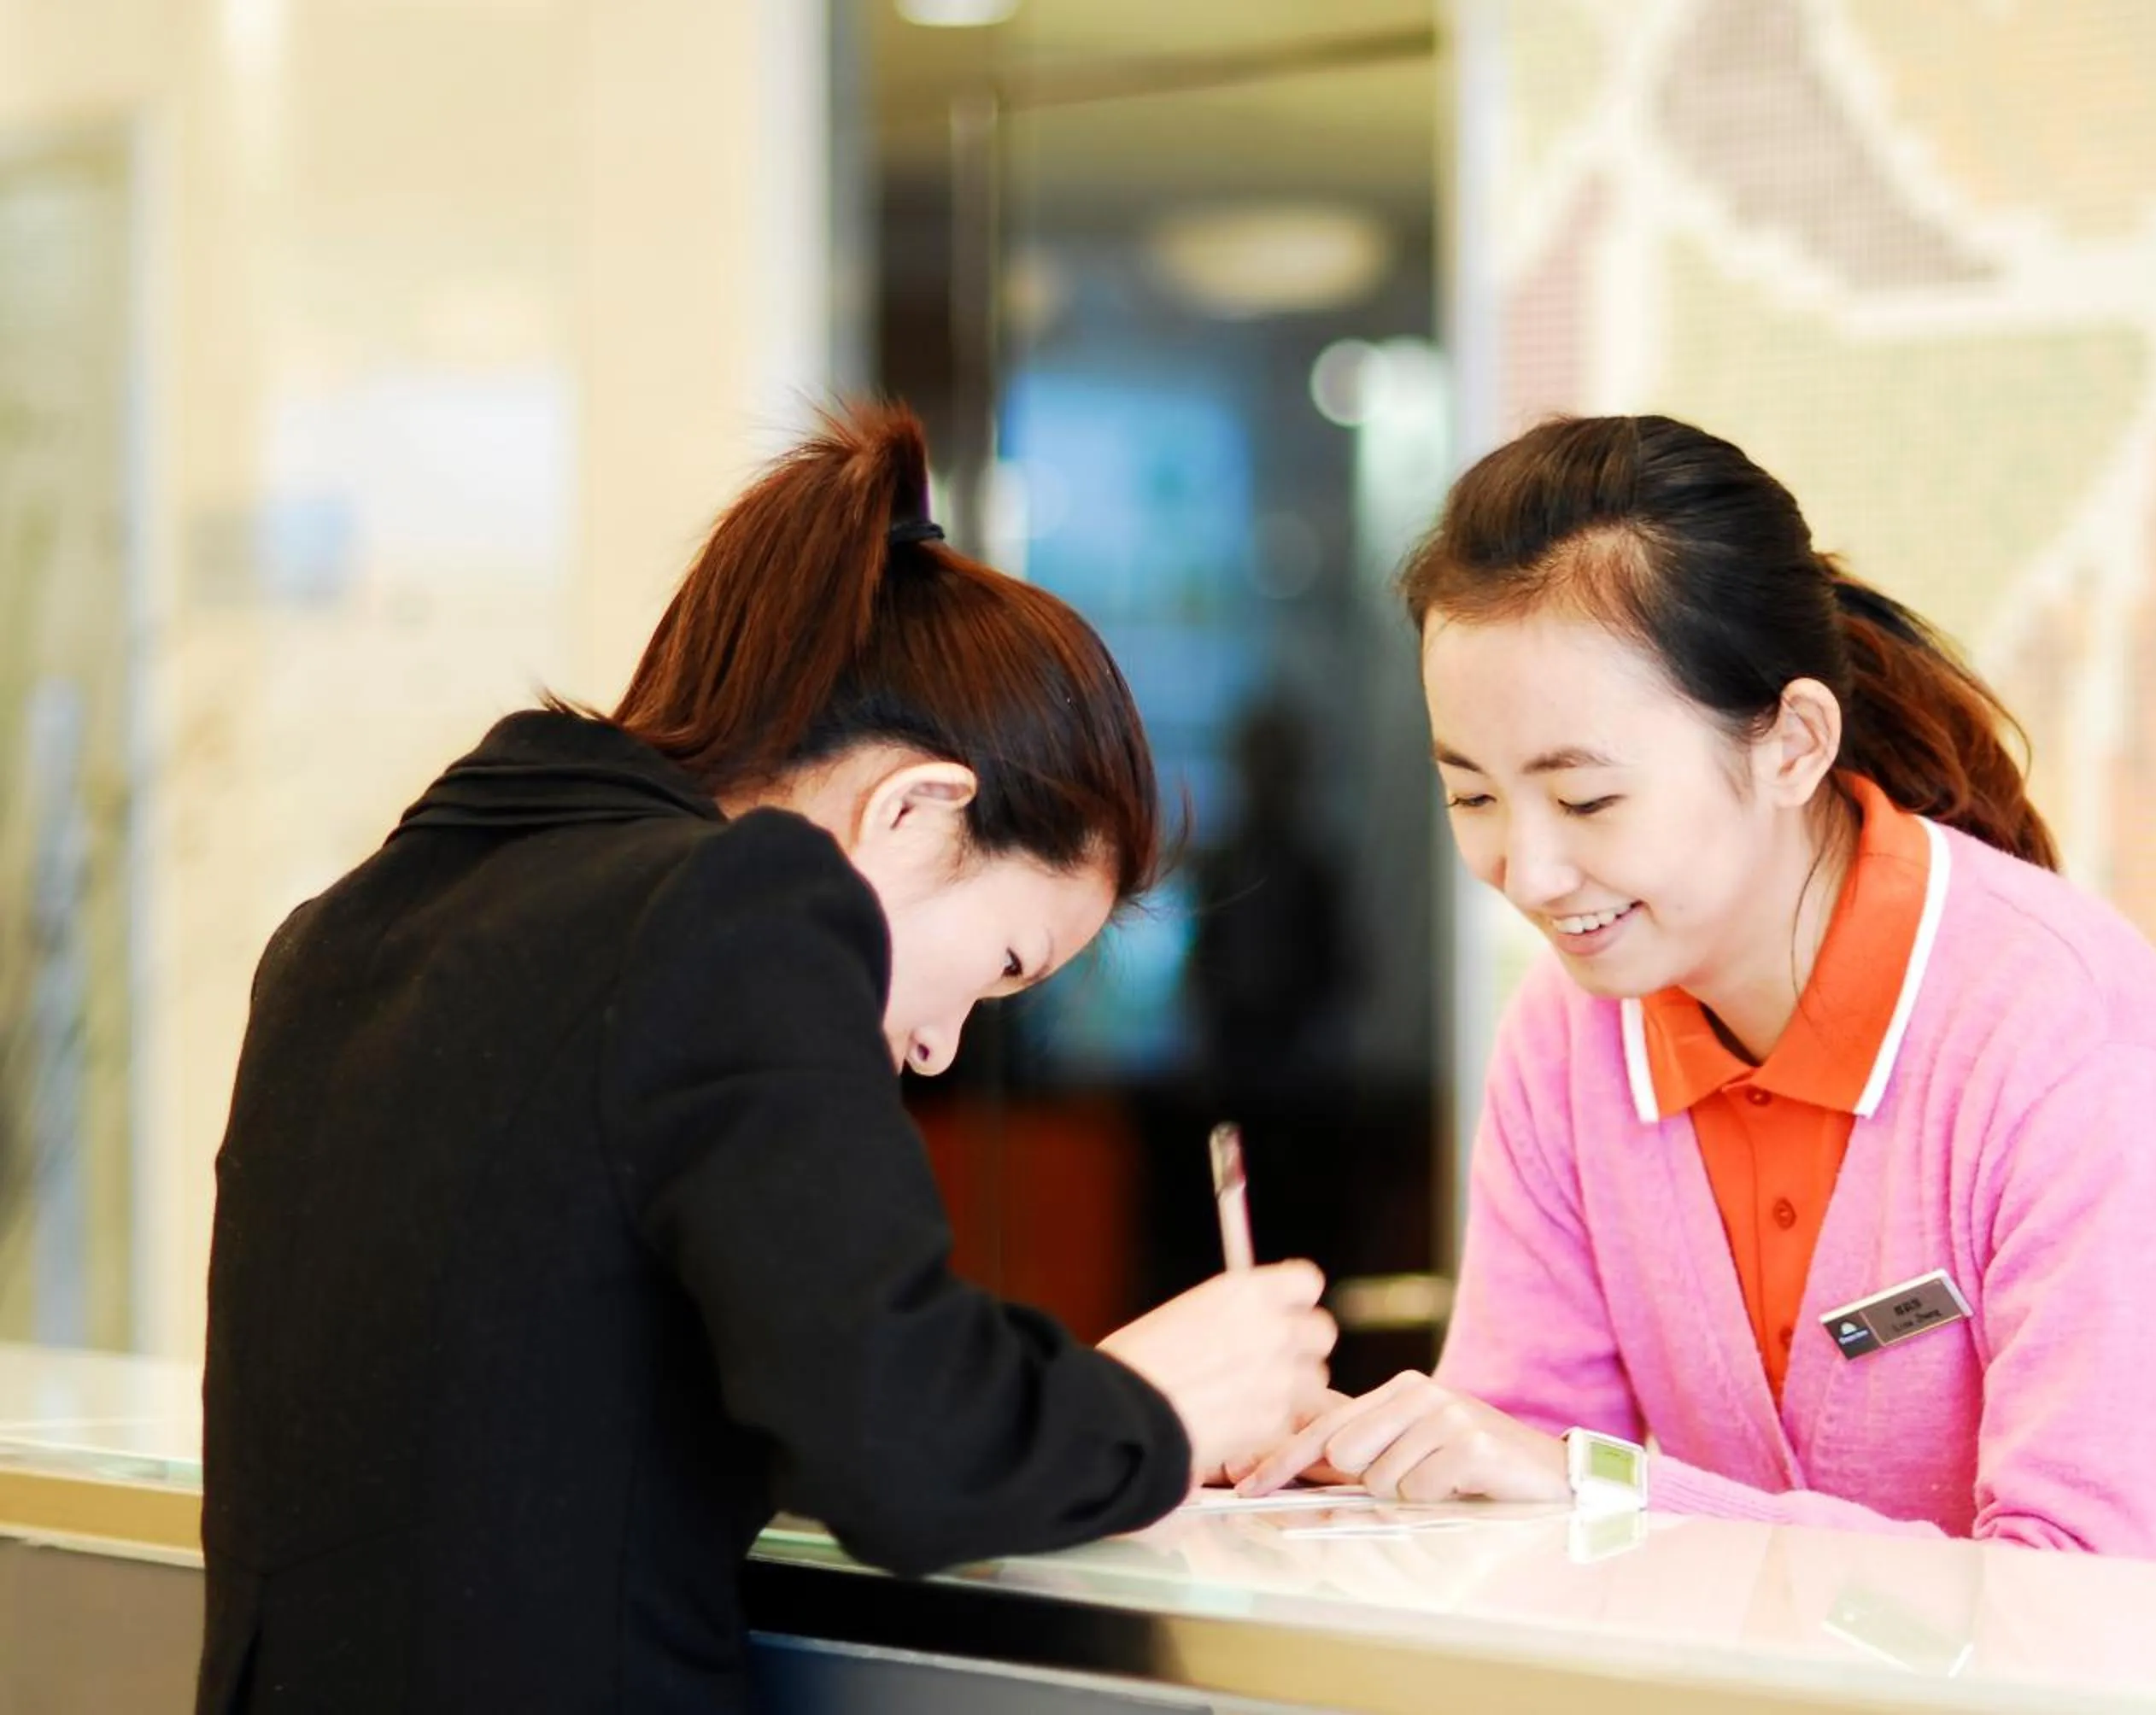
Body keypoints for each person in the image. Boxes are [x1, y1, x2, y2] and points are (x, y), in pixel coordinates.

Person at [196, 404, 1337, 1712]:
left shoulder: (351, 928)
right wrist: (1160, 1410)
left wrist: (1064, 1406)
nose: (934, 1042)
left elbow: (591, 1395)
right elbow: (902, 1449)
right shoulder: (742, 913)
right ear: (912, 811)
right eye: (1000, 968)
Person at [1237, 413, 2156, 1579]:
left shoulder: (2063, 1041)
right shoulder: (1568, 1034)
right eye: (1473, 797)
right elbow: (1514, 1464)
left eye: (1586, 801)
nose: (1526, 874)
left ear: (1792, 743)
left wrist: (1596, 1487)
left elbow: (2074, 1591)